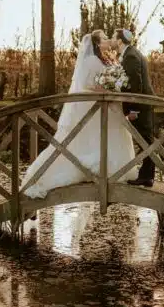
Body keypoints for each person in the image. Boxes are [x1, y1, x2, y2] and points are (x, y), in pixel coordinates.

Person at [22, 31, 138, 199]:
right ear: (97, 43)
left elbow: (103, 80)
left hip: (105, 107)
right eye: (105, 38)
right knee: (89, 140)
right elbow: (87, 84)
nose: (107, 40)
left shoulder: (103, 59)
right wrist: (108, 87)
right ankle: (47, 176)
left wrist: (112, 84)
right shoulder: (91, 61)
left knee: (101, 138)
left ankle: (110, 171)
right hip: (94, 108)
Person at [116, 28, 156, 187]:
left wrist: (134, 110)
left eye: (114, 36)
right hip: (144, 104)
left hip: (141, 106)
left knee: (145, 140)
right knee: (146, 140)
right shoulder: (133, 53)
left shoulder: (131, 56)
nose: (113, 39)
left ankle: (146, 176)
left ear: (120, 41)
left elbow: (136, 85)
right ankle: (147, 176)